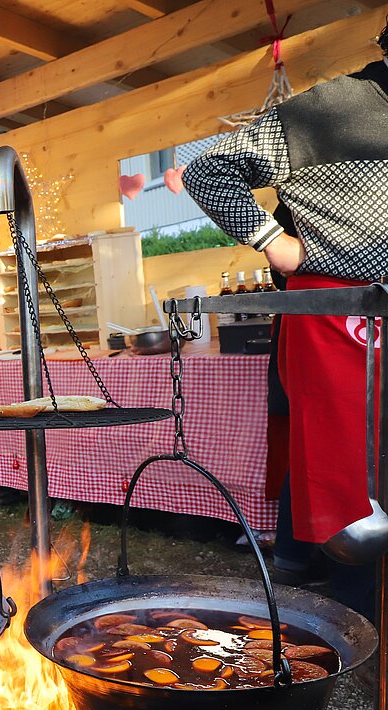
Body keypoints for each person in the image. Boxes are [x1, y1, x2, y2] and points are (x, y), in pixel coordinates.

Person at [182, 18, 388, 657]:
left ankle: (314, 572)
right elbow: (208, 170)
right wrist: (277, 245)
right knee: (350, 472)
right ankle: (361, 625)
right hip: (338, 308)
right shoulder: (329, 110)